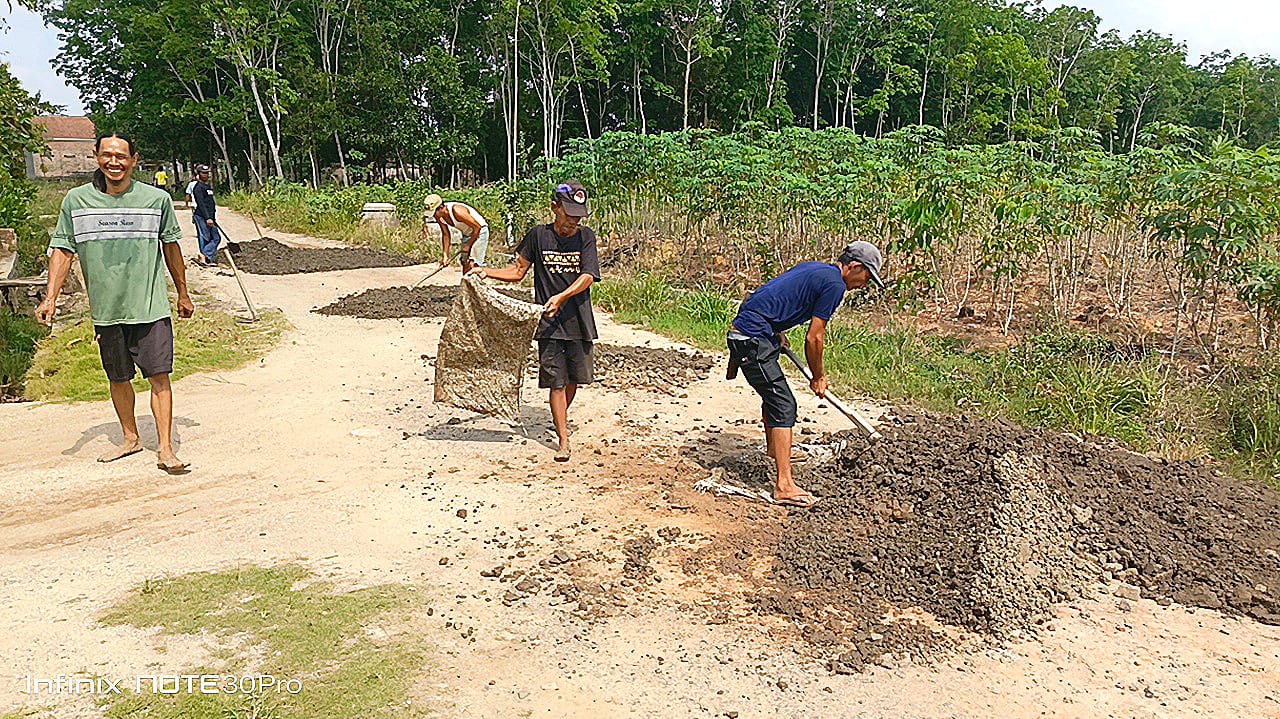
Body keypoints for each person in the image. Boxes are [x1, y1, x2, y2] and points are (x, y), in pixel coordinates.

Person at [35, 133, 194, 474]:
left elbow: (171, 247)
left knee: (159, 375)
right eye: (107, 155)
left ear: (134, 160)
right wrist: (50, 298)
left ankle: (165, 448)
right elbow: (63, 251)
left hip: (149, 306)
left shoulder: (156, 199)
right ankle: (130, 437)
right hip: (106, 310)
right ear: (96, 157)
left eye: (121, 156)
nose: (114, 162)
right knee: (118, 377)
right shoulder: (77, 201)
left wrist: (182, 292)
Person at [726, 241, 885, 508]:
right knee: (783, 403)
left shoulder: (816, 269)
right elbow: (814, 337)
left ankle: (775, 450)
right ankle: (784, 486)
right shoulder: (835, 285)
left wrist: (774, 328)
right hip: (750, 339)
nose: (865, 283)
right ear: (855, 266)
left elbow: (763, 297)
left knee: (773, 395)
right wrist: (818, 376)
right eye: (867, 276)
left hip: (754, 332)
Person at [470, 181, 599, 462]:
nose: (573, 222)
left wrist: (563, 296)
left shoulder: (586, 238)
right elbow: (518, 271)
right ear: (555, 208)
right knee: (556, 380)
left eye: (578, 216)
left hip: (579, 319)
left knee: (574, 380)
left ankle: (560, 416)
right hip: (549, 323)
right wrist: (487, 272)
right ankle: (563, 439)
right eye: (569, 215)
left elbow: (588, 276)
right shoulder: (538, 237)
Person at [424, 193, 490, 272]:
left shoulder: (457, 211)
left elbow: (477, 227)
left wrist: (468, 245)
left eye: (434, 213)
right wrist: (445, 255)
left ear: (441, 208)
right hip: (468, 234)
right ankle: (466, 282)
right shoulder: (439, 216)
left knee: (474, 262)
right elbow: (446, 234)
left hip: (480, 232)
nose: (434, 216)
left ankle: (477, 281)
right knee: (464, 260)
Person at [191, 165, 220, 266]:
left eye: (207, 173)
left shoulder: (208, 187)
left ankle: (206, 255)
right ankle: (204, 257)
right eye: (204, 173)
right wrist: (207, 218)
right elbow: (201, 204)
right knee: (205, 237)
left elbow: (210, 203)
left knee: (216, 237)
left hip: (211, 217)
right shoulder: (197, 188)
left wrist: (212, 217)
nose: (206, 175)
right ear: (198, 174)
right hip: (201, 216)